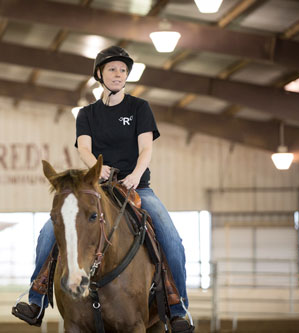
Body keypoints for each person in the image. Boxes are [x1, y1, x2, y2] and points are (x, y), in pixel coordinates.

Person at [12, 46, 194, 333]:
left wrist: (134, 174)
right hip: (99, 185)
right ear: (100, 74)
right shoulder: (87, 114)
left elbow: (146, 148)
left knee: (172, 238)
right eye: (112, 69)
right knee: (49, 232)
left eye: (122, 70)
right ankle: (35, 298)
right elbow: (84, 148)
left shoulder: (139, 108)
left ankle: (177, 307)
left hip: (137, 187)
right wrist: (98, 169)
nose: (118, 74)